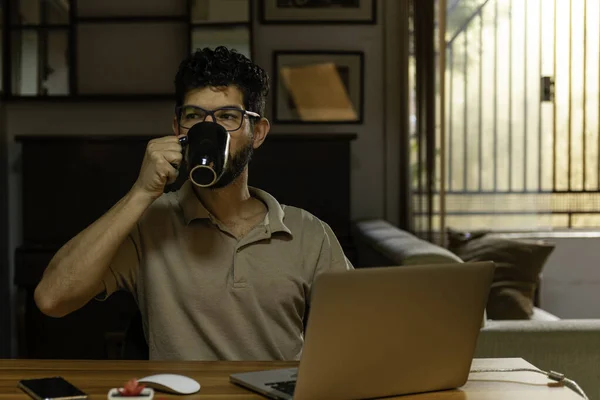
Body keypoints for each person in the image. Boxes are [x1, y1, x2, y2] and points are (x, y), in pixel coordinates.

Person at [34, 46, 353, 361]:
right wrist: (141, 192)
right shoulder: (149, 223)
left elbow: (357, 331)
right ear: (177, 130)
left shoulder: (308, 233)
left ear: (257, 132)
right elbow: (52, 299)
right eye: (194, 117)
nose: (208, 130)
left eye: (228, 116)